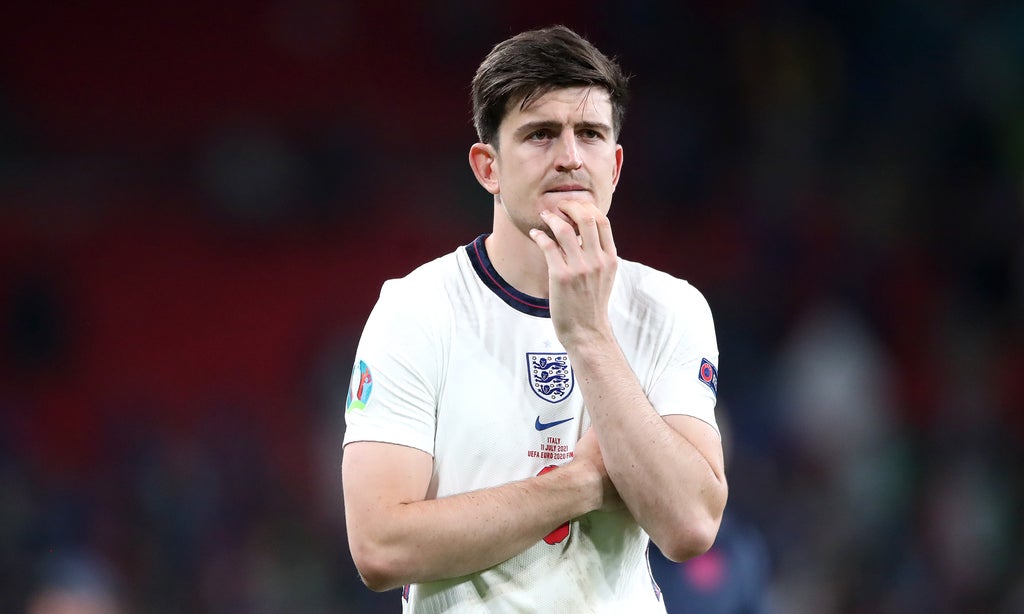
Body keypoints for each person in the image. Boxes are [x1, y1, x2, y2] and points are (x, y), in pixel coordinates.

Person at [341, 25, 727, 613]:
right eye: (540, 134)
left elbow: (691, 525)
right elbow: (379, 548)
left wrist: (589, 337)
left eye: (590, 134)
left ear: (615, 165)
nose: (570, 157)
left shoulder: (670, 308)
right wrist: (579, 484)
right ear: (487, 167)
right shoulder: (417, 309)